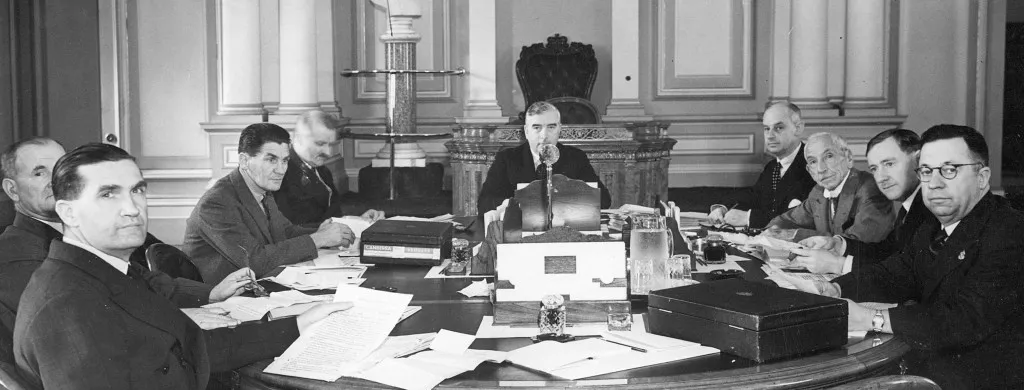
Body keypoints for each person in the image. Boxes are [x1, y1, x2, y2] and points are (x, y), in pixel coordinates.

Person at [13, 143, 352, 389]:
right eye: (108, 194)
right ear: (68, 212)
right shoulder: (67, 306)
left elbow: (194, 348)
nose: (132, 208)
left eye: (137, 191)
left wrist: (298, 324)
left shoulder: (111, 270)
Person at [790, 125, 1024, 389]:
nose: (934, 183)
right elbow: (895, 273)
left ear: (982, 178)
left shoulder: (1010, 232)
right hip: (929, 364)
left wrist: (870, 318)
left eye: (950, 170)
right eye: (926, 171)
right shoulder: (935, 225)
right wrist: (832, 288)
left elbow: (963, 320)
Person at [185, 123, 355, 283]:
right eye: (271, 160)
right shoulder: (217, 203)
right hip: (221, 297)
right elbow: (254, 261)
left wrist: (321, 231)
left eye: (285, 160)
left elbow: (286, 231)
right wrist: (319, 238)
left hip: (256, 285)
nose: (281, 170)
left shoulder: (260, 188)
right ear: (244, 161)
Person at [790, 129, 932, 274]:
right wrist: (837, 244)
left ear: (918, 160)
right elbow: (887, 253)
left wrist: (839, 265)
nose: (881, 177)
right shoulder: (909, 208)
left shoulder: (933, 208)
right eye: (874, 169)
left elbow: (907, 274)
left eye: (889, 164)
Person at [477, 101, 611, 215]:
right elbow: (485, 203)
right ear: (526, 131)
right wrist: (513, 204)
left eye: (551, 127)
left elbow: (604, 200)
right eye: (537, 127)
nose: (544, 135)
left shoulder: (575, 157)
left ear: (559, 129)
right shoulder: (507, 158)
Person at [766, 132, 894, 243]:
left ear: (848, 158)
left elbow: (855, 242)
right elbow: (786, 221)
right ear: (810, 171)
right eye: (813, 162)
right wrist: (772, 231)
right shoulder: (818, 192)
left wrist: (794, 234)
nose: (821, 169)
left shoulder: (871, 188)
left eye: (829, 156)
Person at [710, 102, 817, 227]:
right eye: (767, 129)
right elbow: (753, 196)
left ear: (798, 128)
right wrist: (723, 208)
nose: (770, 136)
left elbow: (802, 218)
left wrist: (749, 218)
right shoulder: (772, 167)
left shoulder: (814, 166)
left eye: (779, 128)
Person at [274, 110, 383, 226]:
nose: (328, 152)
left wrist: (359, 220)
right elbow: (293, 229)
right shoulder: (282, 174)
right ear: (298, 138)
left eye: (331, 145)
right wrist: (348, 225)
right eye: (320, 144)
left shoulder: (322, 170)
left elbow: (332, 214)